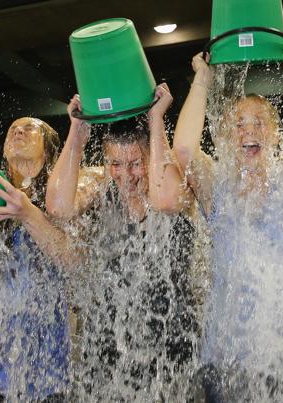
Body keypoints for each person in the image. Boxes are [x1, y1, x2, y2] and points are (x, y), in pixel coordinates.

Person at [168, 49, 283, 401]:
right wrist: (202, 78)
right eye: (238, 124)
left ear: (274, 133)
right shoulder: (217, 185)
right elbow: (182, 148)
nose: (249, 130)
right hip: (229, 356)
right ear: (225, 138)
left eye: (259, 121)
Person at [45, 84, 198, 400]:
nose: (125, 174)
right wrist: (76, 131)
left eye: (135, 163)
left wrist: (156, 120)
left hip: (172, 344)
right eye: (115, 163)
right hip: (109, 345)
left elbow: (166, 199)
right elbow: (58, 208)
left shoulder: (177, 183)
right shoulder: (100, 189)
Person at [0, 117, 73, 402]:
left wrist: (28, 213)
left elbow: (72, 259)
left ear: (48, 153)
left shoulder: (64, 199)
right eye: (12, 130)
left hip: (44, 371)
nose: (18, 131)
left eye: (30, 129)